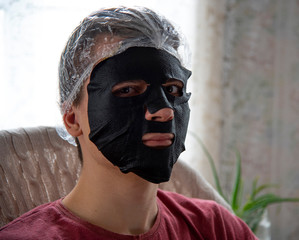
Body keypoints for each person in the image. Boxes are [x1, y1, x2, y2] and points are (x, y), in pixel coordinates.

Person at [0, 6, 258, 239]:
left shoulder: (216, 228)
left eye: (173, 90)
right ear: (72, 119)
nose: (165, 112)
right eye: (128, 90)